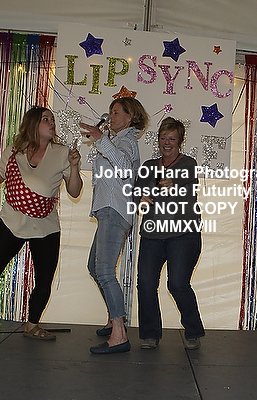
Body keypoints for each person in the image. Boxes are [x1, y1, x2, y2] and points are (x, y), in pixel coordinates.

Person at [0, 106, 83, 354]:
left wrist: (75, 166)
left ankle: (32, 325)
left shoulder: (62, 153)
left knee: (44, 280)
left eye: (52, 119)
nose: (52, 122)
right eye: (46, 119)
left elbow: (75, 191)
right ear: (33, 124)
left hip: (45, 226)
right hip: (12, 221)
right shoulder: (15, 150)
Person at [79, 97, 149, 354]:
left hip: (115, 210)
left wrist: (101, 138)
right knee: (95, 266)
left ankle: (119, 334)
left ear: (130, 118)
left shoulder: (126, 141)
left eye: (116, 112)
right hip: (108, 210)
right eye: (110, 112)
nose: (110, 117)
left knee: (105, 270)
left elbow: (124, 168)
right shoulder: (115, 140)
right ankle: (113, 318)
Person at [133, 117, 205, 350]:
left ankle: (193, 331)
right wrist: (140, 198)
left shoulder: (188, 164)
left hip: (183, 235)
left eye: (172, 138)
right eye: (163, 137)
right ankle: (150, 334)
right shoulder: (149, 166)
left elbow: (188, 190)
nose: (167, 142)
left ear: (180, 141)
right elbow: (137, 193)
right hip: (152, 235)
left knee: (177, 284)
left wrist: (172, 186)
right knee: (145, 284)